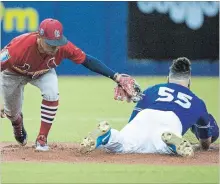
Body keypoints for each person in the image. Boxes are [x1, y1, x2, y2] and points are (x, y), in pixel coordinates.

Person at [0, 18, 142, 152]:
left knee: (52, 93)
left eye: (58, 42)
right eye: (50, 43)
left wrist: (116, 76)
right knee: (11, 113)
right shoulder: (18, 48)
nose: (55, 48)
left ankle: (42, 138)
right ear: (39, 37)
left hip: (42, 72)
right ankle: (17, 122)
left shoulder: (63, 47)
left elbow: (87, 61)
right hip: (12, 73)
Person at [80, 57, 219, 157]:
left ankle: (108, 136)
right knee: (161, 147)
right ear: (189, 81)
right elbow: (205, 143)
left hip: (145, 116)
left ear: (168, 78)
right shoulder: (197, 102)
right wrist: (200, 146)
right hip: (171, 122)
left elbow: (133, 120)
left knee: (123, 142)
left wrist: (134, 132)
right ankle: (172, 144)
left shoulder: (152, 90)